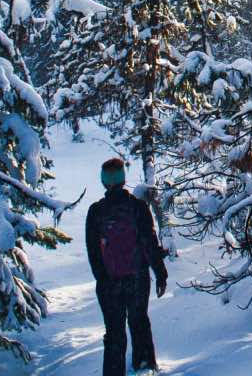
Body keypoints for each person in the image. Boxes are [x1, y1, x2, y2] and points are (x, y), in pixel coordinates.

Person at [86, 157, 169, 375]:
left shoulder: (95, 212)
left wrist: (104, 281)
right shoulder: (138, 207)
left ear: (104, 182)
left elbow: (93, 254)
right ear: (123, 180)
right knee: (139, 322)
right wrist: (160, 273)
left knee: (114, 333)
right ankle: (145, 368)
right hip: (138, 278)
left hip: (109, 283)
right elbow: (150, 243)